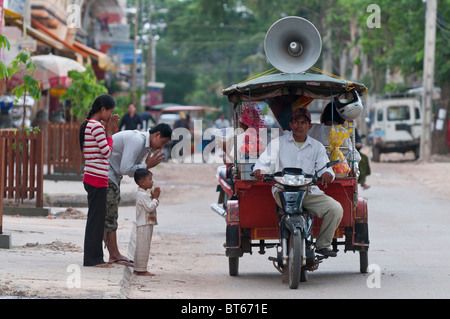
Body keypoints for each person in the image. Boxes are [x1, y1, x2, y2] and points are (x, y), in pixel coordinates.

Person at [253, 107, 343, 257]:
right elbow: (264, 160)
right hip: (283, 190)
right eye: (295, 122)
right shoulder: (278, 143)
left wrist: (327, 173)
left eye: (303, 122)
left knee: (335, 209)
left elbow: (324, 168)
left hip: (308, 191)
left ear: (309, 126)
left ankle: (323, 245)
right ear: (290, 124)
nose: (299, 125)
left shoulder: (317, 147)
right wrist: (260, 169)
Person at [105, 123, 172, 266]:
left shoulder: (144, 145)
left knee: (109, 215)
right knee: (110, 216)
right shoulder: (138, 140)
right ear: (157, 134)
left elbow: (130, 170)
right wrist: (146, 166)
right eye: (163, 142)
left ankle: (114, 254)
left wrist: (145, 167)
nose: (161, 147)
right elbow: (126, 168)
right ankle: (114, 255)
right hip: (106, 175)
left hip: (111, 176)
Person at [79, 94, 119, 267]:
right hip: (96, 178)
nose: (111, 115)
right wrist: (109, 133)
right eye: (110, 111)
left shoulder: (92, 124)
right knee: (96, 221)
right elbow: (107, 152)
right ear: (102, 109)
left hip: (94, 177)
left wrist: (107, 130)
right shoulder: (95, 126)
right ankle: (93, 259)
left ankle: (94, 258)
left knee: (95, 219)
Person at [133, 168, 161, 276]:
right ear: (142, 182)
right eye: (150, 179)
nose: (152, 181)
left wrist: (153, 197)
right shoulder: (142, 195)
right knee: (143, 247)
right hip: (144, 224)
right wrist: (156, 198)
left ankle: (138, 268)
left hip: (146, 223)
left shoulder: (144, 194)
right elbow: (150, 208)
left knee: (142, 246)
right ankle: (141, 270)